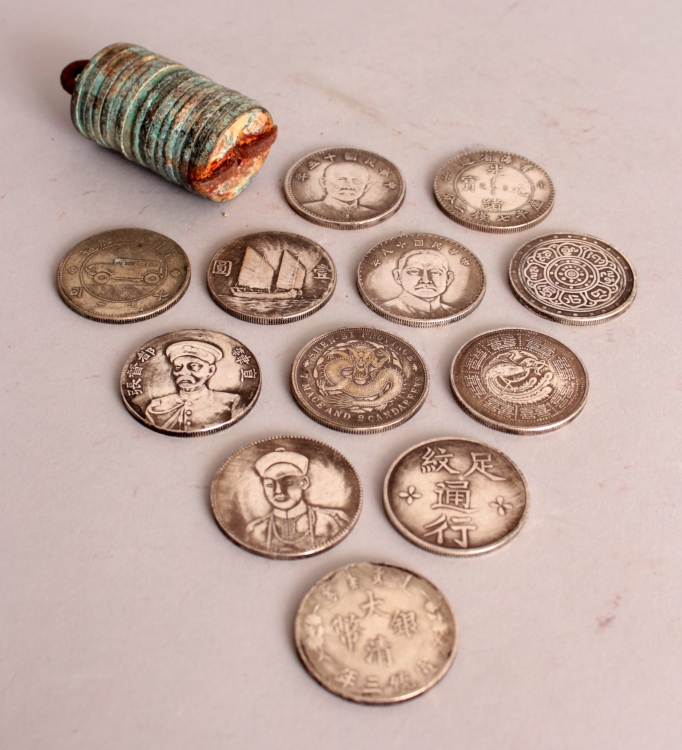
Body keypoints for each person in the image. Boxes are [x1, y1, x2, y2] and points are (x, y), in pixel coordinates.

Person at [245, 447, 350, 552]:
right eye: (269, 484)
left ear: (304, 482)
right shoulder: (256, 531)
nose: (278, 491)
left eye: (288, 482)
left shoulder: (333, 522)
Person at [145, 340, 241, 431]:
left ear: (210, 370)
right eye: (178, 367)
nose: (184, 372)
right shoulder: (156, 407)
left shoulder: (231, 402)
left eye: (194, 366)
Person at [382, 249, 456, 317]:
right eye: (414, 271)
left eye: (435, 272)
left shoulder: (452, 312)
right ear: (397, 276)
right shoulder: (387, 308)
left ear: (448, 278)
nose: (425, 280)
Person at [303, 161, 374, 220]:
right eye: (341, 179)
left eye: (357, 181)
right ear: (324, 182)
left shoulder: (371, 213)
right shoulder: (308, 209)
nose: (349, 186)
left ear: (366, 186)